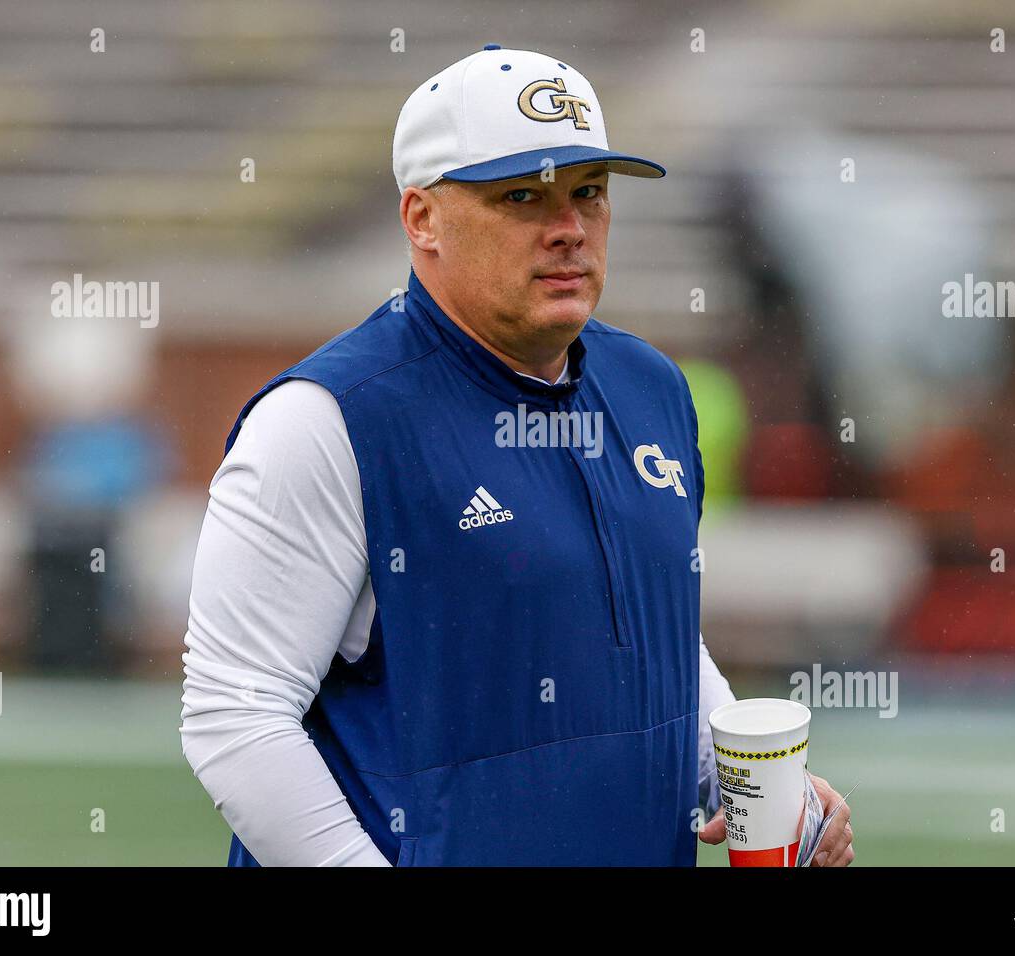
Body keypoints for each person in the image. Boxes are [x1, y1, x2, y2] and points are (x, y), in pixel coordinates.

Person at [179, 44, 854, 866]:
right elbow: (235, 712)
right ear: (422, 217)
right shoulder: (326, 420)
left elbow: (650, 635)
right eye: (522, 196)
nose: (569, 228)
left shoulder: (652, 387)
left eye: (589, 193)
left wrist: (732, 774)